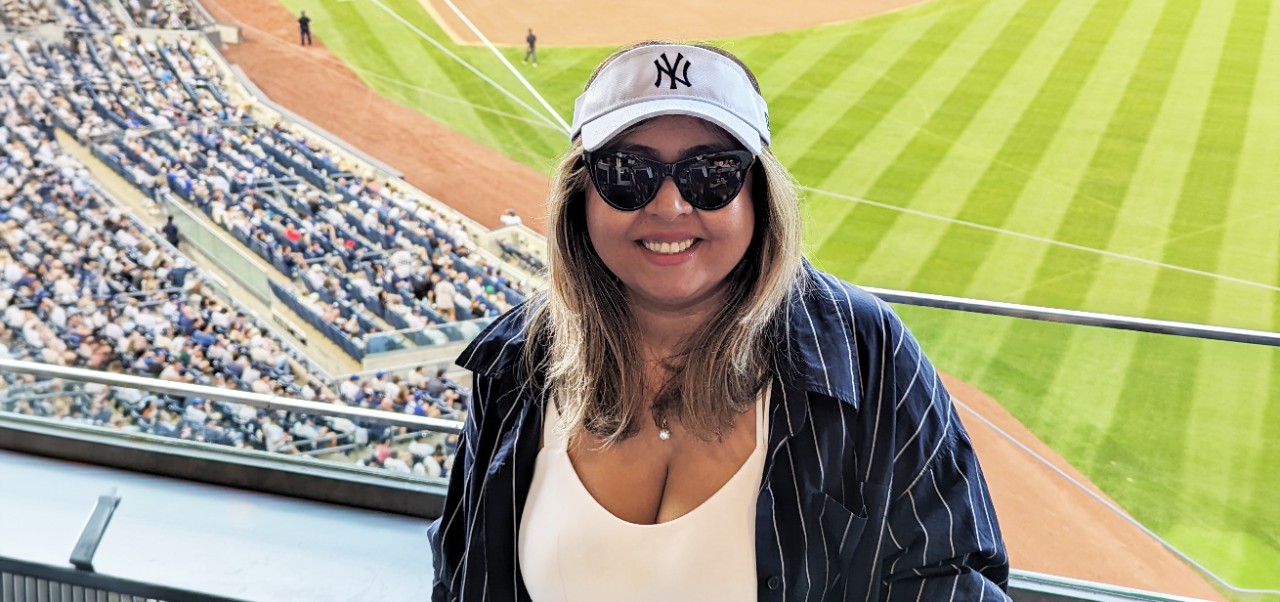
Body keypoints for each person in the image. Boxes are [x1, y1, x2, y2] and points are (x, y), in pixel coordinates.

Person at [429, 42, 1009, 600]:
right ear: (581, 197)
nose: (670, 205)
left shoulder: (867, 348)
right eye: (627, 172)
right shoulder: (519, 356)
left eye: (712, 173)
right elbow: (461, 576)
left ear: (758, 193)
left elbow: (947, 578)